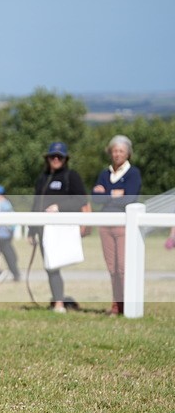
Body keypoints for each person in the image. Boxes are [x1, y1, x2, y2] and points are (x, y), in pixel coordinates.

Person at [29, 142, 89, 314]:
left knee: (53, 264)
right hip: (42, 228)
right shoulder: (42, 178)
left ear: (65, 159)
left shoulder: (71, 176)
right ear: (47, 158)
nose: (56, 159)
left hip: (60, 229)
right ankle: (57, 299)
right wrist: (31, 230)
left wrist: (59, 206)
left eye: (59, 156)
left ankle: (59, 303)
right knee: (49, 266)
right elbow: (36, 204)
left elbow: (81, 200)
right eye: (53, 156)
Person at [92, 135, 142, 316]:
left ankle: (128, 304)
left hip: (123, 226)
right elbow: (95, 198)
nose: (117, 154)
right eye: (115, 150)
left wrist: (107, 194)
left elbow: (129, 198)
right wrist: (115, 194)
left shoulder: (133, 173)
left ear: (128, 153)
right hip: (105, 225)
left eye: (121, 151)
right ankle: (116, 305)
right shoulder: (105, 174)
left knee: (123, 268)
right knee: (112, 269)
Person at [0, 185, 21, 281]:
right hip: (4, 235)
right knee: (10, 257)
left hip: (1, 235)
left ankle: (10, 274)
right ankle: (15, 274)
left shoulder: (2, 204)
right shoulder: (7, 203)